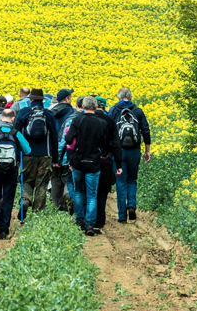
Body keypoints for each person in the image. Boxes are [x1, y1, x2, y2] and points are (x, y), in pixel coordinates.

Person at [65, 96, 122, 236]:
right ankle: (90, 224)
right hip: (95, 163)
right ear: (96, 107)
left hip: (78, 161)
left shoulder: (77, 120)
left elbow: (68, 139)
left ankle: (79, 220)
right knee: (92, 194)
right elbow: (106, 144)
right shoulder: (101, 123)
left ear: (83, 107)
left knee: (78, 190)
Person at [0, 109, 31, 239]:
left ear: (1, 118)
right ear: (13, 119)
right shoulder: (16, 133)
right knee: (8, 198)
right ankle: (4, 230)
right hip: (11, 171)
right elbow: (28, 150)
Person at [108, 87, 151, 223]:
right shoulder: (137, 111)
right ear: (131, 97)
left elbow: (107, 130)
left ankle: (122, 216)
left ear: (119, 97)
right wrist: (147, 151)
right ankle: (131, 205)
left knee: (120, 182)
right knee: (132, 179)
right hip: (134, 150)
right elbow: (146, 131)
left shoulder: (114, 110)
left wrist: (108, 150)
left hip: (118, 151)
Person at [14, 88, 59, 214]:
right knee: (42, 185)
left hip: (27, 154)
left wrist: (17, 156)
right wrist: (55, 158)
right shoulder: (48, 114)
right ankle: (38, 213)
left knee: (27, 180)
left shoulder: (24, 112)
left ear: (31, 99)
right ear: (42, 100)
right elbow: (54, 137)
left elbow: (16, 134)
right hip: (45, 154)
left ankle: (25, 200)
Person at [93, 96, 122, 232]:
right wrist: (119, 164)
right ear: (104, 106)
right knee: (102, 192)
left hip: (89, 160)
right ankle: (99, 221)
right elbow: (116, 145)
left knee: (91, 190)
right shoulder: (110, 121)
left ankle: (89, 220)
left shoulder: (86, 119)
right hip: (106, 160)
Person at [50, 89, 75, 210]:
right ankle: (67, 196)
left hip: (51, 152)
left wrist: (54, 157)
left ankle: (56, 205)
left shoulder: (50, 112)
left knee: (55, 178)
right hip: (66, 152)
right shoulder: (71, 111)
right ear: (66, 99)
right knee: (67, 178)